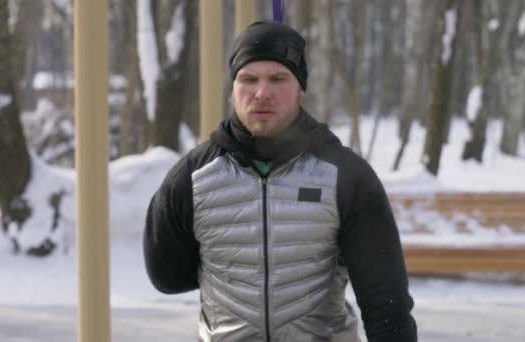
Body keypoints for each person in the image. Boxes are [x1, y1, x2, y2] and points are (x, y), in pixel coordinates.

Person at [144, 21, 417, 342]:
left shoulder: (346, 176)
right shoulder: (192, 177)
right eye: (248, 79)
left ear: (301, 87)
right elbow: (166, 276)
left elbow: (387, 304)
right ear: (233, 87)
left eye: (278, 79)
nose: (262, 93)